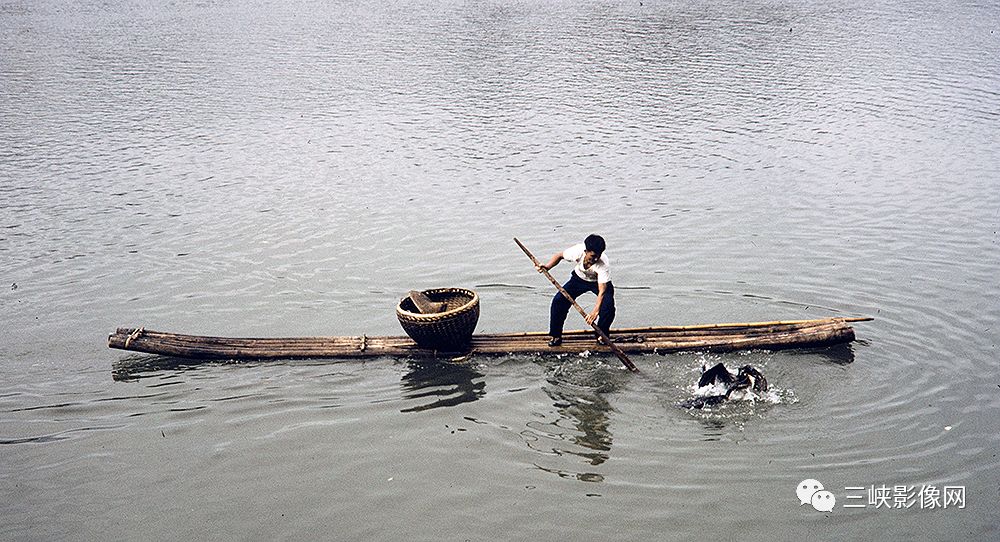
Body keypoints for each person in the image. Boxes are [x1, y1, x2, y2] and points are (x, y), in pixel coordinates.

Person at [536, 234, 616, 346]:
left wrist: (595, 311)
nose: (595, 259)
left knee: (608, 308)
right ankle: (556, 336)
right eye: (592, 256)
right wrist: (547, 267)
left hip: (599, 283)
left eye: (598, 256)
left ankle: (601, 336)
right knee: (559, 301)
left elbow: (602, 290)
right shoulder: (577, 251)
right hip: (579, 279)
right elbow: (559, 255)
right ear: (585, 251)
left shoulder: (603, 263)